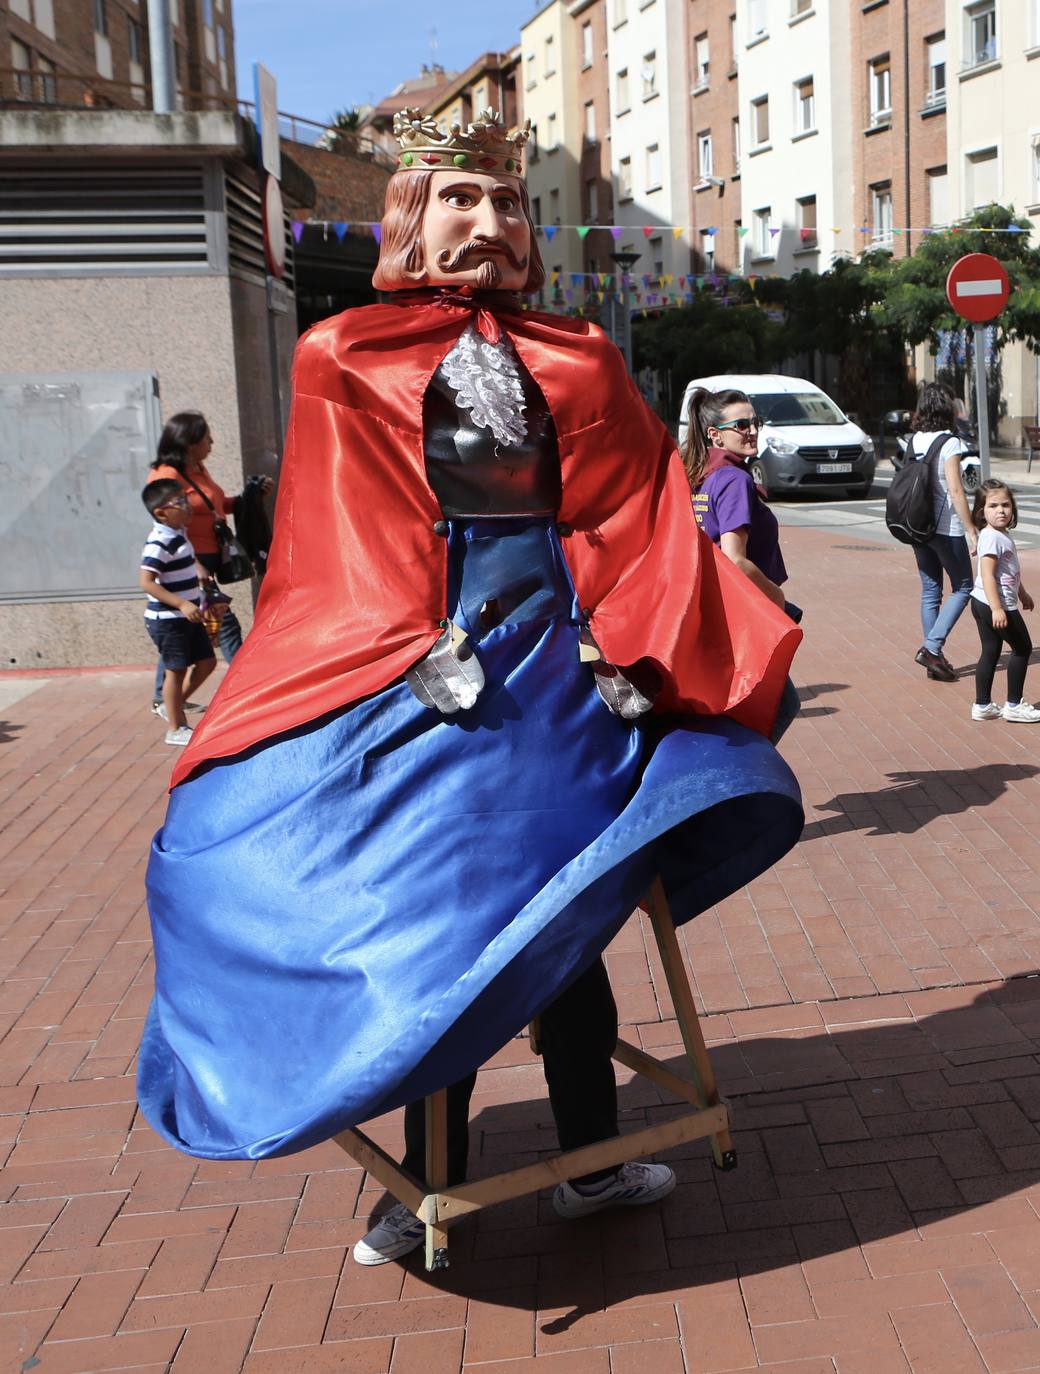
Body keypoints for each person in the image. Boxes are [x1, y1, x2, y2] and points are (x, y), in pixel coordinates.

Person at [135, 108, 804, 1266]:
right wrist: (404, 646)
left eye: (505, 204)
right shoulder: (337, 353)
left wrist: (632, 648)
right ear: (408, 215)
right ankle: (425, 1184)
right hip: (408, 672)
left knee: (573, 912)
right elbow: (335, 535)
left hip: (562, 685)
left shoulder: (583, 353)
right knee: (419, 925)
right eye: (459, 198)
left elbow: (639, 518)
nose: (486, 222)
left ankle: (587, 1162)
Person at [686, 387, 802, 738]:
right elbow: (734, 558)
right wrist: (776, 600)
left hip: (711, 611)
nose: (751, 430)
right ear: (715, 434)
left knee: (740, 706)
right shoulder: (734, 479)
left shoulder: (699, 476)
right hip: (742, 613)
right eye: (741, 424)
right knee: (779, 707)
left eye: (755, 422)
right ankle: (745, 785)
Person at [147, 411, 259, 715]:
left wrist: (247, 498)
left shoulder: (197, 469)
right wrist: (193, 564)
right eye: (206, 437)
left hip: (210, 557)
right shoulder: (167, 474)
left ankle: (165, 699)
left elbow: (213, 506)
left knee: (182, 630)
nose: (212, 442)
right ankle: (247, 686)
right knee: (224, 623)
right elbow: (163, 519)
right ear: (189, 441)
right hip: (188, 566)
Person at [907, 381, 978, 681]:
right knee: (963, 586)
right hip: (945, 527)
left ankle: (934, 658)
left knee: (931, 590)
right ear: (946, 408)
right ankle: (932, 648)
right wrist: (971, 529)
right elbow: (956, 489)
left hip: (917, 525)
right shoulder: (950, 442)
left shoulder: (914, 440)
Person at [138, 478, 217, 747]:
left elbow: (184, 557)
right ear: (160, 512)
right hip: (168, 621)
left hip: (188, 617)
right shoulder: (159, 542)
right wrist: (181, 603)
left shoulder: (178, 532)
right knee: (176, 670)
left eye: (186, 498)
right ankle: (175, 726)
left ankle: (174, 705)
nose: (188, 505)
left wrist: (199, 572)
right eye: (180, 502)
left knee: (207, 663)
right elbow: (147, 581)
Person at [967, 480, 1040, 724]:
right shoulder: (992, 538)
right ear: (981, 512)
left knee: (990, 651)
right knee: (1022, 648)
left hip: (983, 602)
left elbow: (1007, 572)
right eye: (993, 506)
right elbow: (987, 574)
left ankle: (983, 705)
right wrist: (998, 608)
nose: (1001, 510)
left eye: (1006, 505)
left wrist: (1023, 593)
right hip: (995, 605)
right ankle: (1014, 704)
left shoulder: (999, 535)